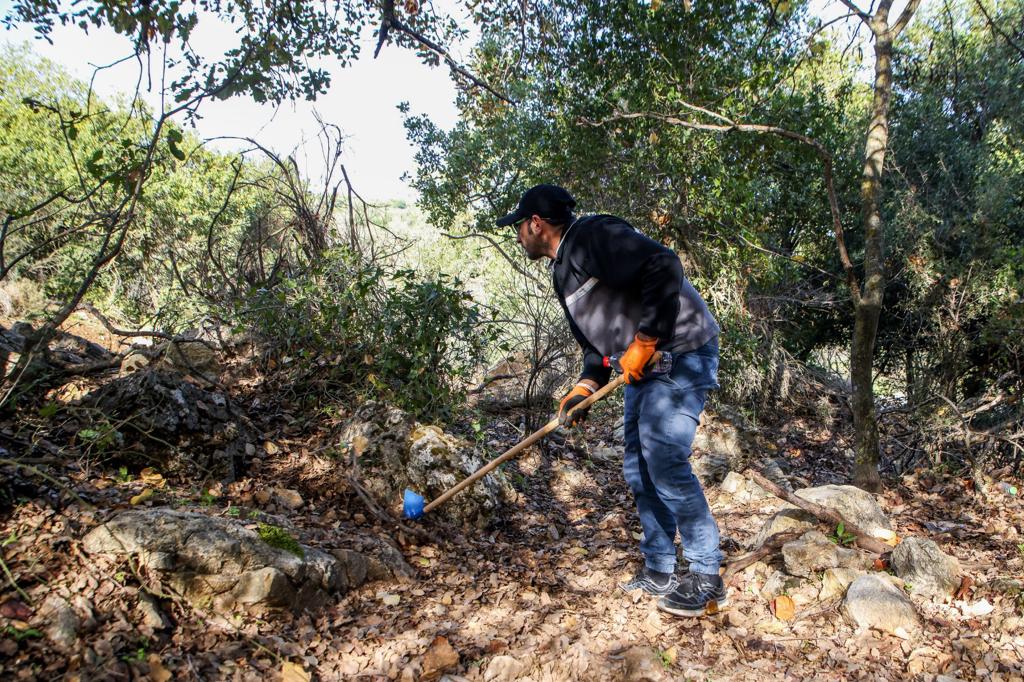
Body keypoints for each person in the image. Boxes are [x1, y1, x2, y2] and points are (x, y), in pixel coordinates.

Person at [498, 184, 727, 617]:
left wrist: (645, 339)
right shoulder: (562, 272)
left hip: (681, 351)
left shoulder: (592, 236)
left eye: (519, 227)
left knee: (664, 459)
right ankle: (660, 567)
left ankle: (706, 575)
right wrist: (585, 387)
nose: (518, 236)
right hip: (642, 365)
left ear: (536, 224)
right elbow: (595, 347)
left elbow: (663, 263)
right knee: (638, 467)